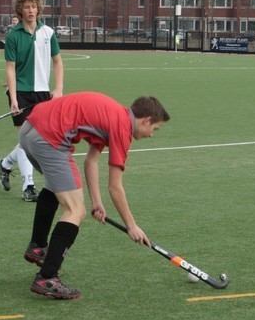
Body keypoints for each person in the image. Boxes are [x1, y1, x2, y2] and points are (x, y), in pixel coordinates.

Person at [20, 92, 171, 299]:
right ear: (147, 120)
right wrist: (132, 226)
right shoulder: (122, 128)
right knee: (75, 210)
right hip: (49, 137)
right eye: (155, 128)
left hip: (29, 130)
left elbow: (90, 161)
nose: (152, 134)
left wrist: (97, 202)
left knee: (57, 188)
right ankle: (47, 277)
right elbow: (115, 187)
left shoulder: (114, 115)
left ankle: (37, 247)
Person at [0, 0, 64, 202]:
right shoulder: (13, 36)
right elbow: (10, 68)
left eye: (33, 6)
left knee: (35, 140)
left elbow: (58, 61)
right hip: (21, 92)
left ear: (38, 9)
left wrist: (58, 88)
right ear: (20, 10)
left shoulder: (48, 33)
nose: (31, 10)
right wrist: (13, 98)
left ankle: (4, 164)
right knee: (26, 141)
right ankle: (28, 187)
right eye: (26, 7)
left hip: (42, 93)